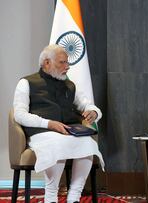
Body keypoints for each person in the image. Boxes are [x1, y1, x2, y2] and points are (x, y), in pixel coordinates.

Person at [13, 44, 105, 203]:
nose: (67, 67)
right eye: (62, 62)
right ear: (47, 63)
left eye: (67, 62)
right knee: (58, 143)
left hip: (68, 132)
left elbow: (87, 104)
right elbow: (19, 115)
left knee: (88, 144)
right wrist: (49, 124)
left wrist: (93, 112)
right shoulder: (26, 82)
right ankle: (50, 197)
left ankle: (74, 197)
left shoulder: (69, 85)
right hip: (41, 133)